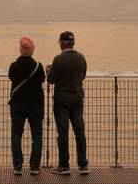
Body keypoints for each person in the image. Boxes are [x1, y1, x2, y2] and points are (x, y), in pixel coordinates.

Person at [46, 30, 88, 175]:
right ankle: (83, 165)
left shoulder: (58, 59)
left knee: (63, 132)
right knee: (79, 131)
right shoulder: (81, 58)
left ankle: (64, 165)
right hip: (77, 99)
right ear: (73, 43)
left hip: (62, 100)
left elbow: (51, 80)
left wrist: (48, 71)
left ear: (62, 43)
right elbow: (82, 76)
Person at [8, 36, 45, 176]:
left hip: (17, 104)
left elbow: (11, 77)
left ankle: (18, 166)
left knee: (16, 135)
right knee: (37, 135)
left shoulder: (14, 66)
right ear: (32, 50)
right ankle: (35, 166)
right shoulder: (38, 66)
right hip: (36, 105)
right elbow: (42, 79)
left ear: (20, 49)